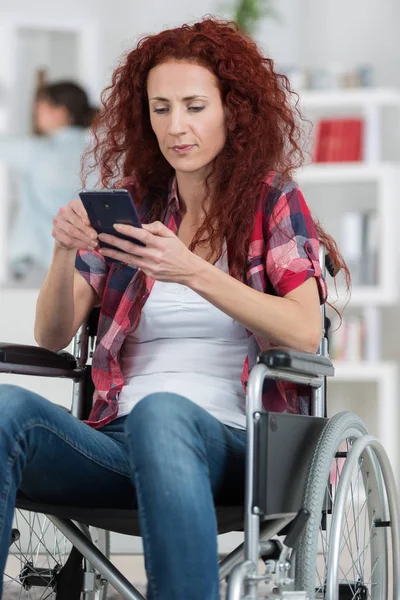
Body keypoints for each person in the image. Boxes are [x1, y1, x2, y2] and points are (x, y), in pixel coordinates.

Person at [0, 18, 348, 600]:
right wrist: (64, 252)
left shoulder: (273, 201)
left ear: (232, 111)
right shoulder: (132, 207)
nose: (176, 127)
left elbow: (303, 328)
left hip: (241, 444)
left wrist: (192, 271)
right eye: (160, 109)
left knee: (165, 410)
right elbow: (53, 332)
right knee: (8, 407)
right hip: (119, 443)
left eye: (194, 106)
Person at [0, 81, 97, 282]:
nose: (36, 116)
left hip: (38, 263)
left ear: (60, 112)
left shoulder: (38, 152)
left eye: (40, 109)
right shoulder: (96, 156)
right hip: (83, 265)